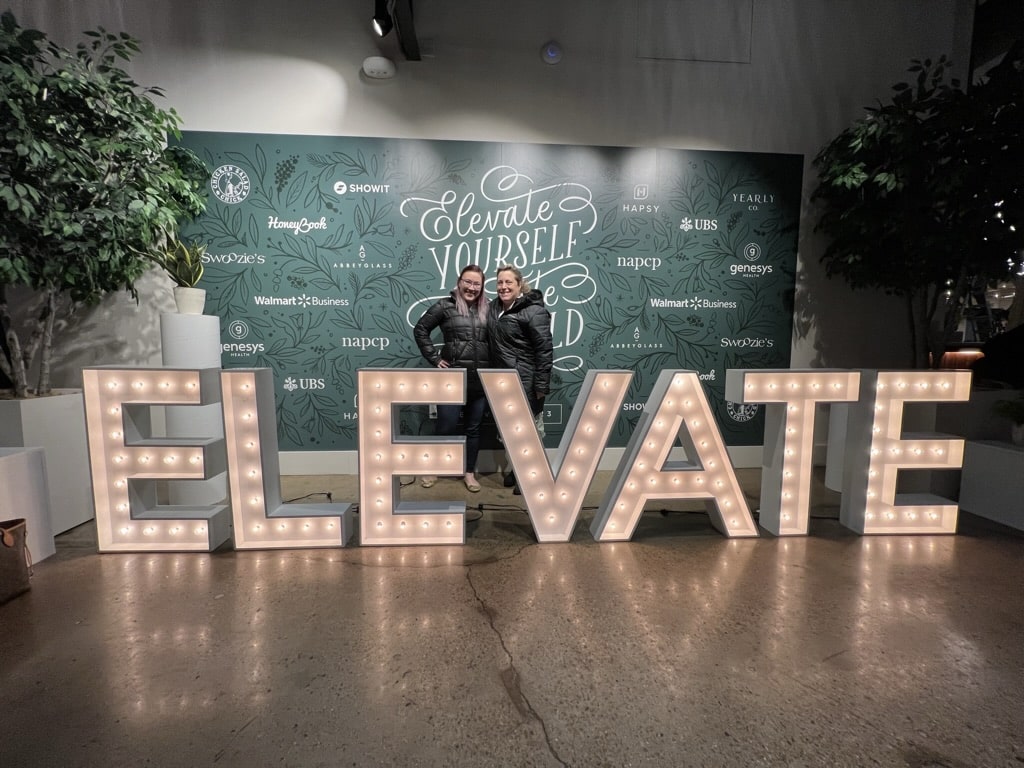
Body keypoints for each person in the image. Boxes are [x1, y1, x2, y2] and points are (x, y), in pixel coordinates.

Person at [413, 264, 490, 492]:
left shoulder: (489, 309)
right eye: (468, 281)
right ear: (459, 282)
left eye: (477, 283)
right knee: (445, 426)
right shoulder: (445, 306)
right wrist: (435, 359)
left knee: (473, 429)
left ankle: (469, 473)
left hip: (480, 381)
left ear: (482, 287)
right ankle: (433, 468)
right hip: (452, 380)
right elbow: (420, 329)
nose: (472, 287)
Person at [488, 265, 554, 492]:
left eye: (509, 282)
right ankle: (516, 470)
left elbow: (544, 350)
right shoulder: (493, 308)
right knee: (509, 430)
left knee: (529, 431)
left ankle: (530, 477)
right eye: (500, 282)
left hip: (526, 381)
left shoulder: (534, 311)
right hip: (503, 382)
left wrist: (541, 385)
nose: (503, 287)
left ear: (519, 285)